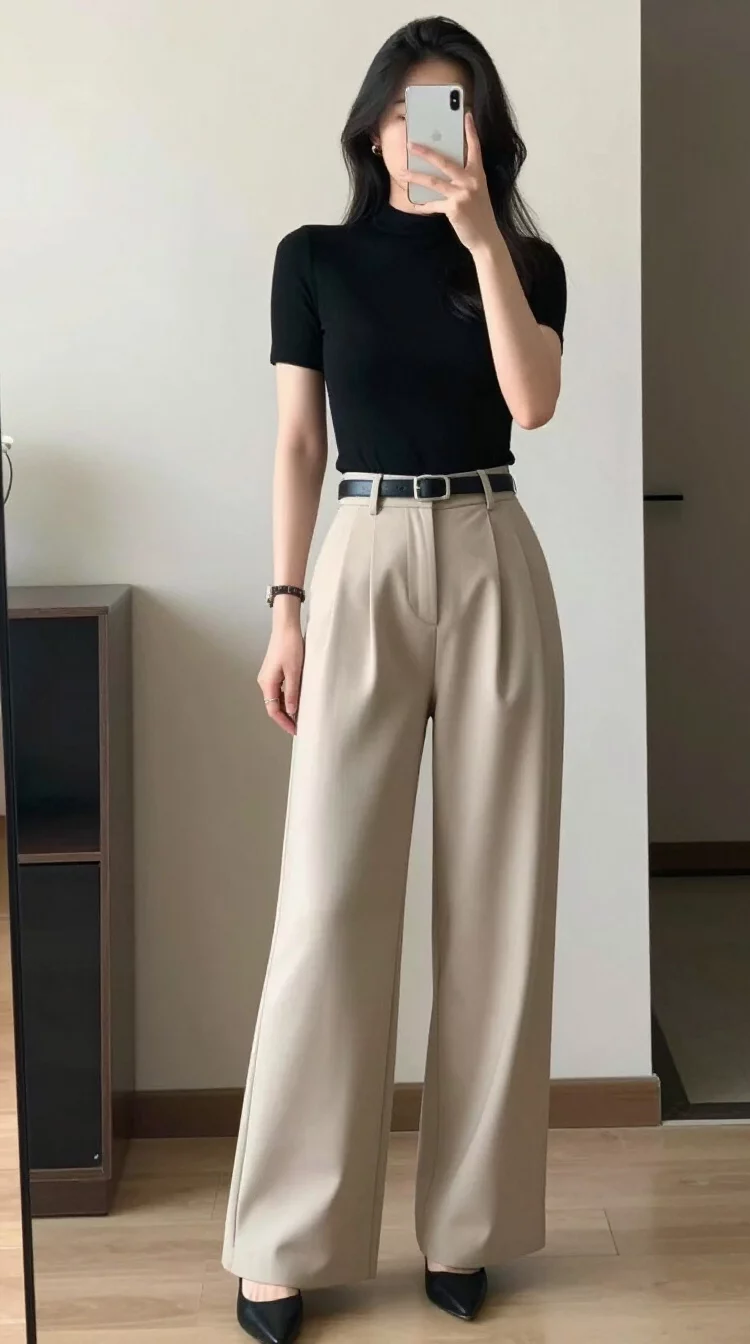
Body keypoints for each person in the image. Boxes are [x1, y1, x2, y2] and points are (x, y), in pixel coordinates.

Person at [221, 15, 567, 1343]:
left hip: (490, 550)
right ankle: (284, 1235)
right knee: (326, 903)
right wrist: (287, 605)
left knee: (496, 901)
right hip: (358, 554)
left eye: (458, 111)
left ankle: (466, 1227)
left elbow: (531, 404)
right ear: (374, 125)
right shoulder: (311, 261)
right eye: (414, 110)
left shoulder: (525, 260)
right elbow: (299, 442)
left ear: (482, 132)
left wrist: (484, 244)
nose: (433, 134)